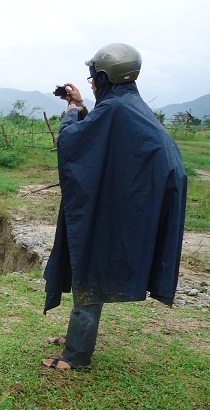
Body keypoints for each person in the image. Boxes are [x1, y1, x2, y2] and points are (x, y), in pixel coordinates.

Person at [41, 43, 187, 371]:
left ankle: (76, 357)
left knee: (93, 258)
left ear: (107, 76)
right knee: (93, 256)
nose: (91, 82)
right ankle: (77, 336)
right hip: (135, 195)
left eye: (94, 77)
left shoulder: (116, 109)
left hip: (132, 199)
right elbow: (101, 135)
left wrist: (70, 112)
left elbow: (72, 142)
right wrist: (79, 103)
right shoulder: (124, 104)